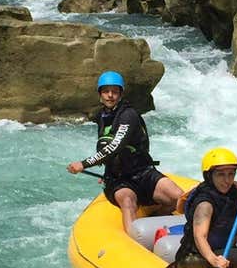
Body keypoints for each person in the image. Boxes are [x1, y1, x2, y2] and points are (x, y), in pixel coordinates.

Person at [66, 71, 183, 233]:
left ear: (120, 94)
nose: (110, 95)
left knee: (179, 197)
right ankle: (135, 241)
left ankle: (155, 219)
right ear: (100, 94)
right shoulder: (102, 116)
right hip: (119, 180)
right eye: (106, 91)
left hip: (143, 173)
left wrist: (84, 164)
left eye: (115, 91)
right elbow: (105, 146)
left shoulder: (129, 115)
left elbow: (115, 146)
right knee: (128, 200)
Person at [172, 148, 237, 268]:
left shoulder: (235, 188)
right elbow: (200, 236)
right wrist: (214, 259)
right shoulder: (205, 203)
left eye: (231, 174)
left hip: (224, 250)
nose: (227, 180)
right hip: (196, 257)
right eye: (221, 174)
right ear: (209, 176)